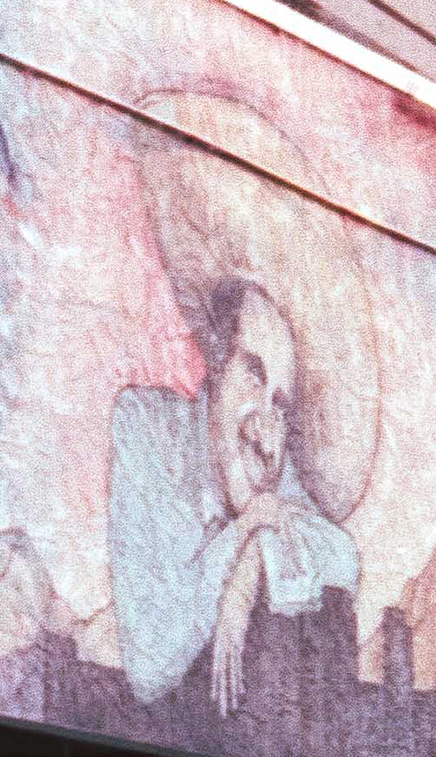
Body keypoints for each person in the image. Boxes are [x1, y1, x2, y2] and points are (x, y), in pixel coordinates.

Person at [106, 93, 378, 717]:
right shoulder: (145, 427)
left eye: (282, 403)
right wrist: (245, 536)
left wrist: (257, 546)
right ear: (215, 364)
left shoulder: (272, 469)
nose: (266, 422)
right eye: (253, 374)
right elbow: (149, 661)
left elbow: (345, 555)